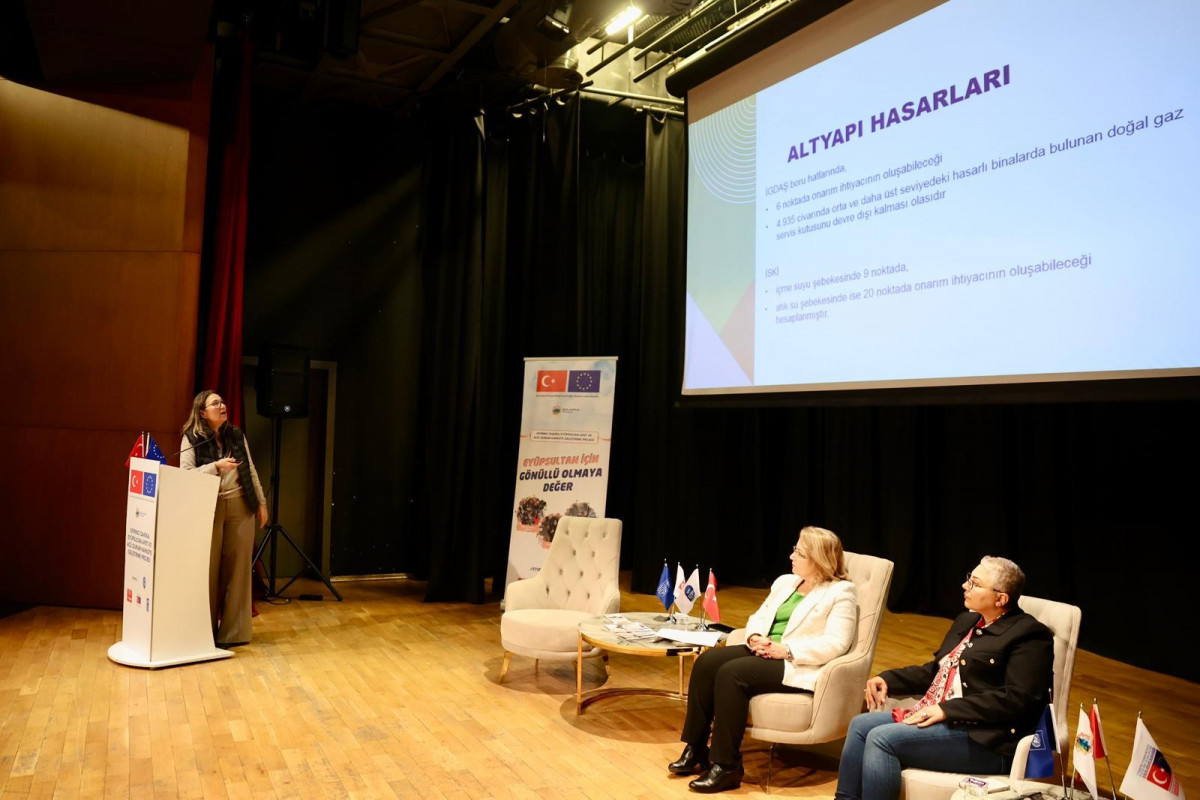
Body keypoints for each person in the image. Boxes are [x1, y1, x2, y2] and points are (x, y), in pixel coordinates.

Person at [835, 556, 1053, 800]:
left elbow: (1017, 699)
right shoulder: (967, 620)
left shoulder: (1029, 635)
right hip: (949, 722)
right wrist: (888, 679)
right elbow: (937, 672)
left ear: (1000, 599)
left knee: (881, 738)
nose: (965, 586)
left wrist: (947, 710)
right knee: (860, 725)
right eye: (969, 579)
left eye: (975, 583)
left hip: (990, 740)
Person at [670, 526, 858, 793]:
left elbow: (837, 643)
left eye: (799, 553)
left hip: (795, 661)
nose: (792, 556)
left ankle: (727, 766)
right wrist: (755, 636)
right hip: (765, 649)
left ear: (818, 560)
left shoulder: (841, 592)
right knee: (706, 663)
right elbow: (760, 615)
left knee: (732, 673)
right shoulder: (786, 582)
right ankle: (697, 748)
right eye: (794, 550)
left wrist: (787, 650)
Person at [180, 390, 269, 648]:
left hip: (241, 505)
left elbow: (250, 469)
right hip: (209, 507)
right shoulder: (191, 438)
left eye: (223, 402)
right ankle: (203, 633)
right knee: (208, 571)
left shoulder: (236, 435)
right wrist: (215, 467)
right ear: (202, 412)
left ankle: (234, 634)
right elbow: (185, 473)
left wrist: (261, 503)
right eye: (215, 403)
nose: (222, 406)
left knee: (239, 571)